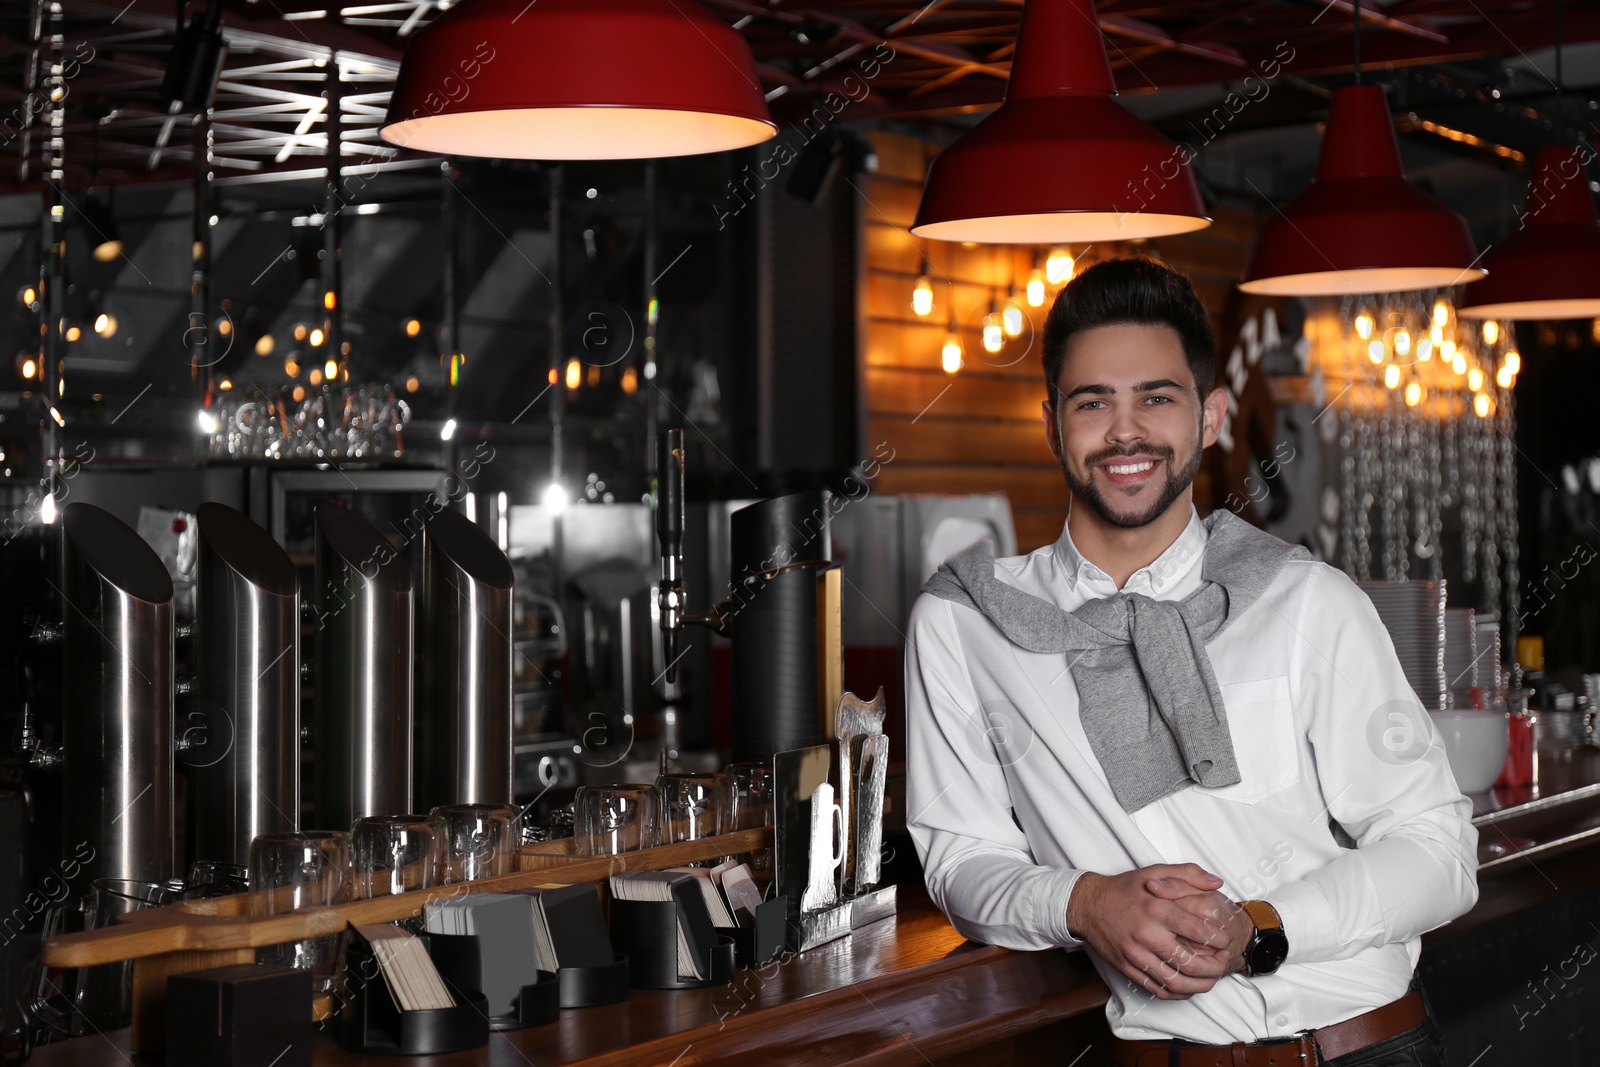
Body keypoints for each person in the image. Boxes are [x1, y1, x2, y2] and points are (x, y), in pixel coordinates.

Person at [904, 257, 1477, 1067]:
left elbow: (1441, 851)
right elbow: (960, 857)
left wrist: (1262, 924)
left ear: (1209, 417)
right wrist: (1082, 900)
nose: (1125, 430)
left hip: (1362, 1048)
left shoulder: (1305, 599)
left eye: (1156, 397)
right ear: (1051, 424)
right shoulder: (966, 623)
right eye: (1093, 401)